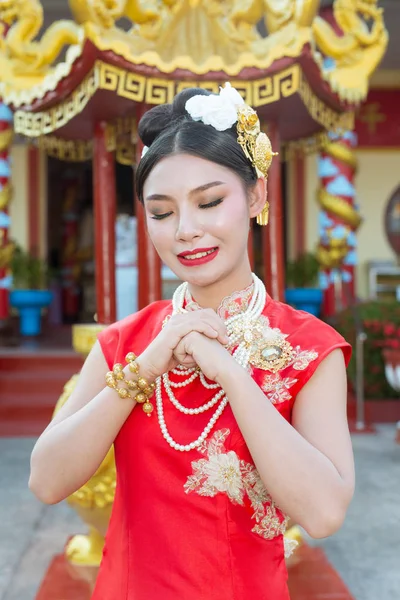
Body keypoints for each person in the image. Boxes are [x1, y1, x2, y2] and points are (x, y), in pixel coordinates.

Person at [29, 83, 355, 600]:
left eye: (208, 202)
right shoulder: (126, 343)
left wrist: (229, 371)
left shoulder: (310, 350)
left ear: (256, 195)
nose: (186, 229)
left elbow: (324, 511)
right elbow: (46, 481)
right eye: (161, 212)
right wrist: (145, 366)